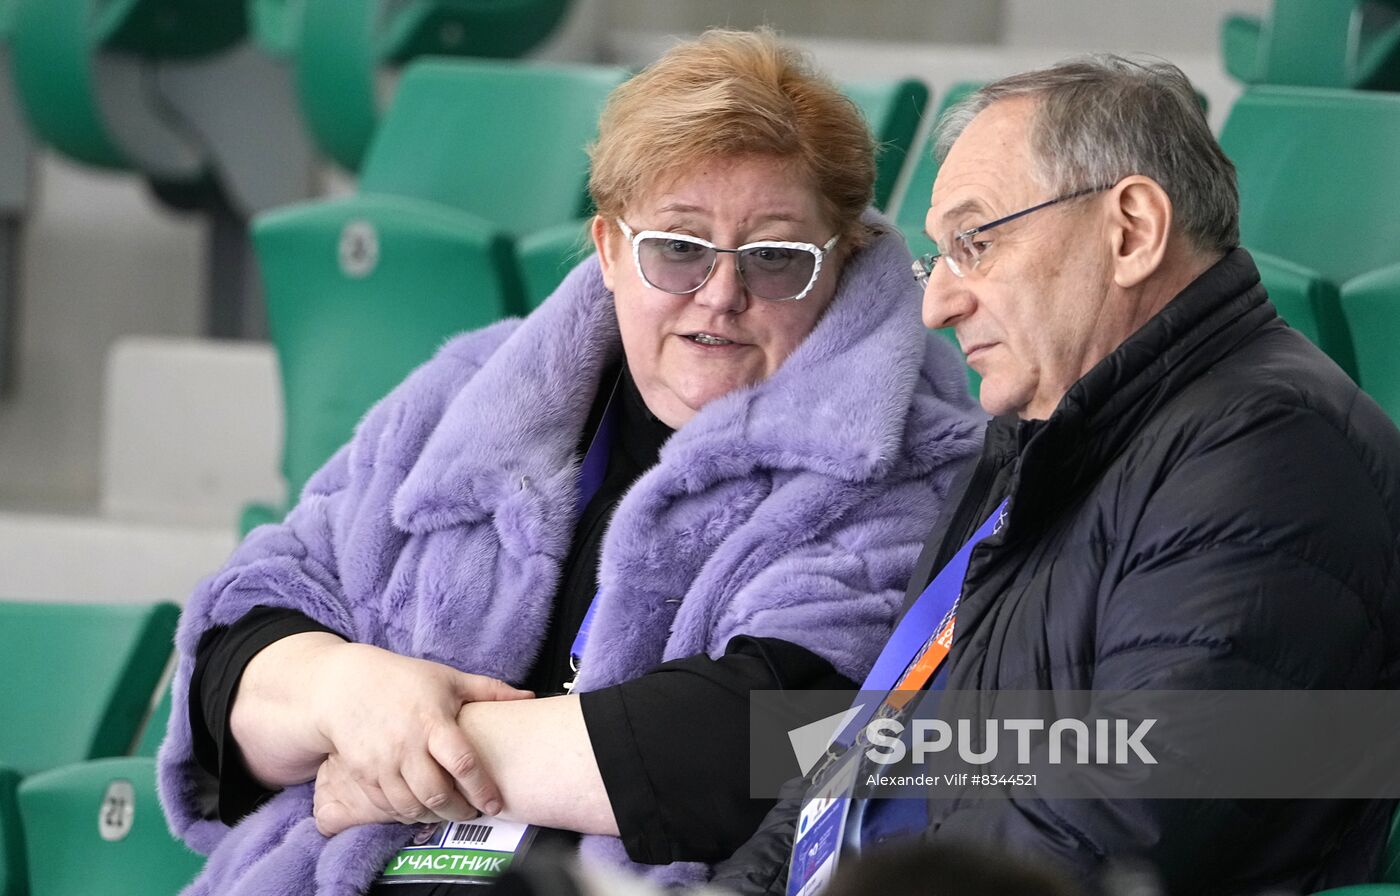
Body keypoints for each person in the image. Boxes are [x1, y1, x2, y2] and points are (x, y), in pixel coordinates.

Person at [156, 28, 984, 896]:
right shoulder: (466, 394)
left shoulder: (903, 461)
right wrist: (343, 691)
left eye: (776, 258)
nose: (722, 294)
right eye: (678, 248)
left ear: (843, 261)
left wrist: (399, 762)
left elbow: (775, 738)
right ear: (609, 248)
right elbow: (239, 641)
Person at [713, 55, 1400, 894]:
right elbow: (866, 747)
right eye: (941, 257)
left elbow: (1118, 822)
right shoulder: (1042, 434)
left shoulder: (1272, 449)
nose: (938, 304)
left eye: (976, 241)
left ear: (1132, 231)